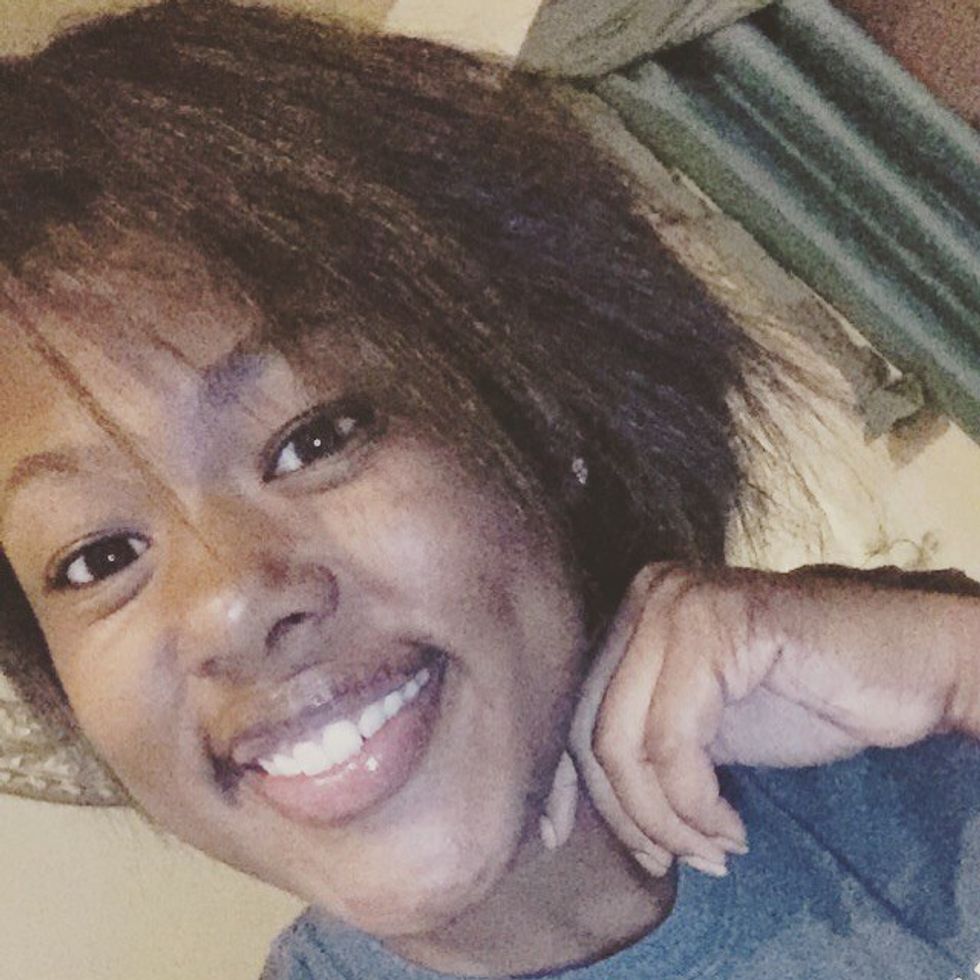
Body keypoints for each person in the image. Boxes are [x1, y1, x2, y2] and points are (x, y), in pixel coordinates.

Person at [0, 2, 978, 977]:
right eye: (97, 556)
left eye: (313, 439)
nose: (229, 603)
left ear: (542, 420)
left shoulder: (905, 726)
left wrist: (954, 665)